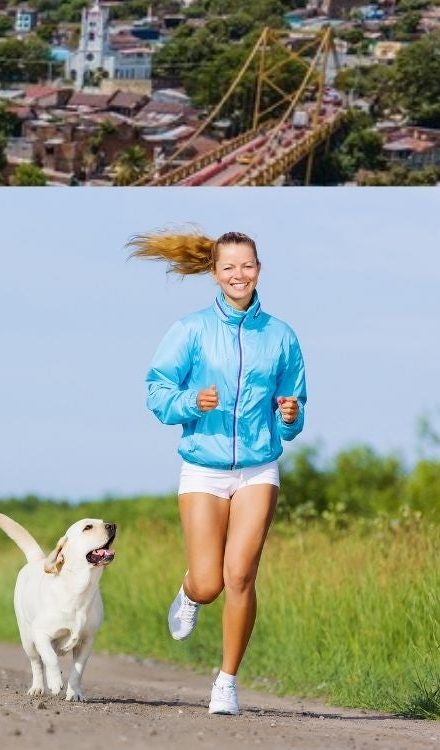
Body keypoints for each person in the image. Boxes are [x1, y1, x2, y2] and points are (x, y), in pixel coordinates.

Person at [131, 229, 307, 716]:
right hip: (203, 469)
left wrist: (289, 416)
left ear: (259, 270)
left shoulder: (281, 336)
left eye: (246, 266)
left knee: (241, 576)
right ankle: (190, 593)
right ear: (214, 273)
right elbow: (156, 392)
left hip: (258, 468)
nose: (238, 275)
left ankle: (226, 682)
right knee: (210, 583)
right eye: (228, 267)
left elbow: (294, 412)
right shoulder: (190, 330)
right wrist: (192, 401)